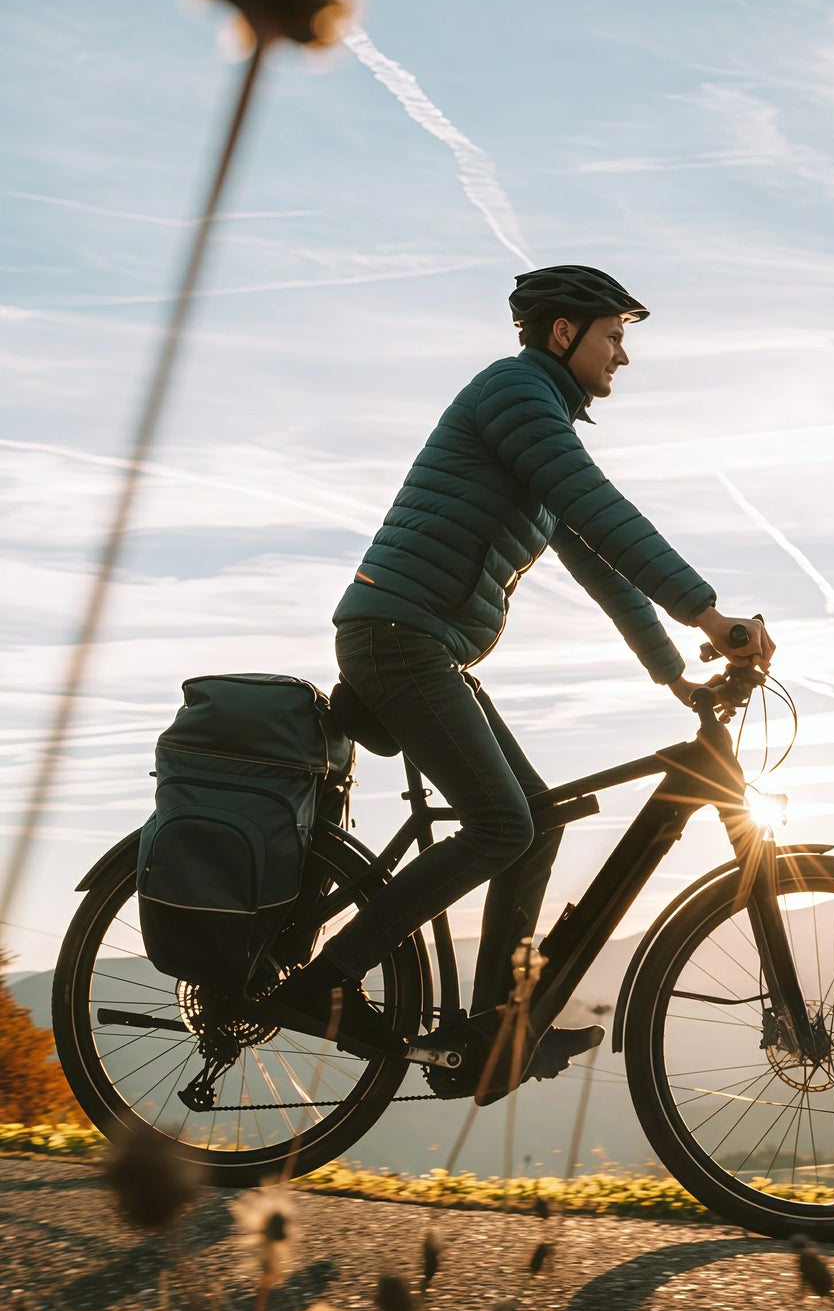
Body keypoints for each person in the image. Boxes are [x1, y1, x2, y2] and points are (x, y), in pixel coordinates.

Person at [270, 265, 774, 1088]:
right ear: (564, 332)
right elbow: (601, 504)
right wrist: (707, 611)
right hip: (398, 637)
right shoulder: (514, 395)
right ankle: (324, 983)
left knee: (535, 819)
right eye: (614, 334)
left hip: (424, 644)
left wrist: (676, 674)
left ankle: (492, 1032)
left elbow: (601, 559)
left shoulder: (540, 426)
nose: (624, 355)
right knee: (503, 825)